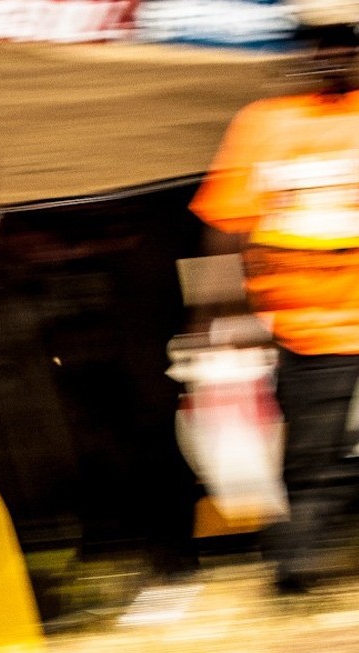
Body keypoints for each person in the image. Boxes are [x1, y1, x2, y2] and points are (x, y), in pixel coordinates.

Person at [190, 7, 359, 593]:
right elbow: (227, 225)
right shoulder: (264, 124)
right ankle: (293, 569)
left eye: (342, 42)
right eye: (317, 43)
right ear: (299, 53)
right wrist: (219, 317)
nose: (330, 54)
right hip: (300, 327)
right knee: (312, 453)